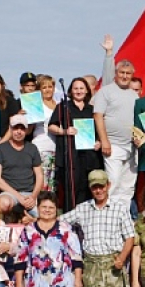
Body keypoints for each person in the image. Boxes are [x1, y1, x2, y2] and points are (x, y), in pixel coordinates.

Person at [48, 77, 103, 210]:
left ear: (87, 91)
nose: (78, 91)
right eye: (75, 88)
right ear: (71, 91)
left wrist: (99, 143)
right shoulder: (63, 107)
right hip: (70, 156)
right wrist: (65, 131)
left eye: (81, 88)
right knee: (72, 191)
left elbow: (99, 131)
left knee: (88, 189)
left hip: (90, 156)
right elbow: (51, 126)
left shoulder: (93, 109)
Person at [93, 58, 139, 207]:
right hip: (113, 145)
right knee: (113, 181)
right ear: (116, 73)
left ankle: (122, 218)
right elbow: (98, 116)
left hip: (131, 147)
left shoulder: (134, 95)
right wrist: (104, 140)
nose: (125, 76)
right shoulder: (105, 92)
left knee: (127, 186)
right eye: (122, 73)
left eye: (128, 73)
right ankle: (106, 214)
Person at [0, 114, 43, 216]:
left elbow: (39, 175)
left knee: (42, 215)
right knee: (3, 204)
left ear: (26, 130)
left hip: (29, 194)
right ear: (10, 129)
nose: (19, 131)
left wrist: (33, 197)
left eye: (22, 128)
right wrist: (19, 197)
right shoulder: (0, 149)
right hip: (9, 193)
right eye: (15, 128)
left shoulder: (32, 148)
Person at [31, 75, 58, 192]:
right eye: (44, 87)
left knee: (52, 183)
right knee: (42, 182)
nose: (48, 90)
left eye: (50, 87)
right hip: (41, 146)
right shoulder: (37, 105)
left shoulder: (58, 104)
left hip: (56, 147)